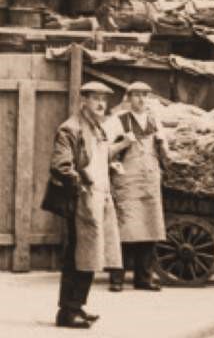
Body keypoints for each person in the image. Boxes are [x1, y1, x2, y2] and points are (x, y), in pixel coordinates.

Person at [50, 82, 133, 329]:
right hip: (82, 200)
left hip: (99, 197)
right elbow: (61, 165)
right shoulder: (70, 128)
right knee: (78, 255)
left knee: (91, 255)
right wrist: (81, 184)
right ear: (83, 101)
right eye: (95, 99)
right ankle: (68, 311)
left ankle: (77, 307)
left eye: (104, 100)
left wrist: (110, 165)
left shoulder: (97, 128)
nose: (100, 104)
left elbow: (97, 156)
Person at [106, 82, 169, 292]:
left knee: (150, 229)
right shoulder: (118, 120)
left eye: (145, 95)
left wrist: (163, 148)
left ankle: (144, 278)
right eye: (137, 95)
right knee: (124, 231)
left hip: (149, 181)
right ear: (128, 98)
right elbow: (104, 147)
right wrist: (122, 145)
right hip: (127, 181)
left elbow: (164, 151)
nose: (141, 99)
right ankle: (117, 278)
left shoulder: (154, 121)